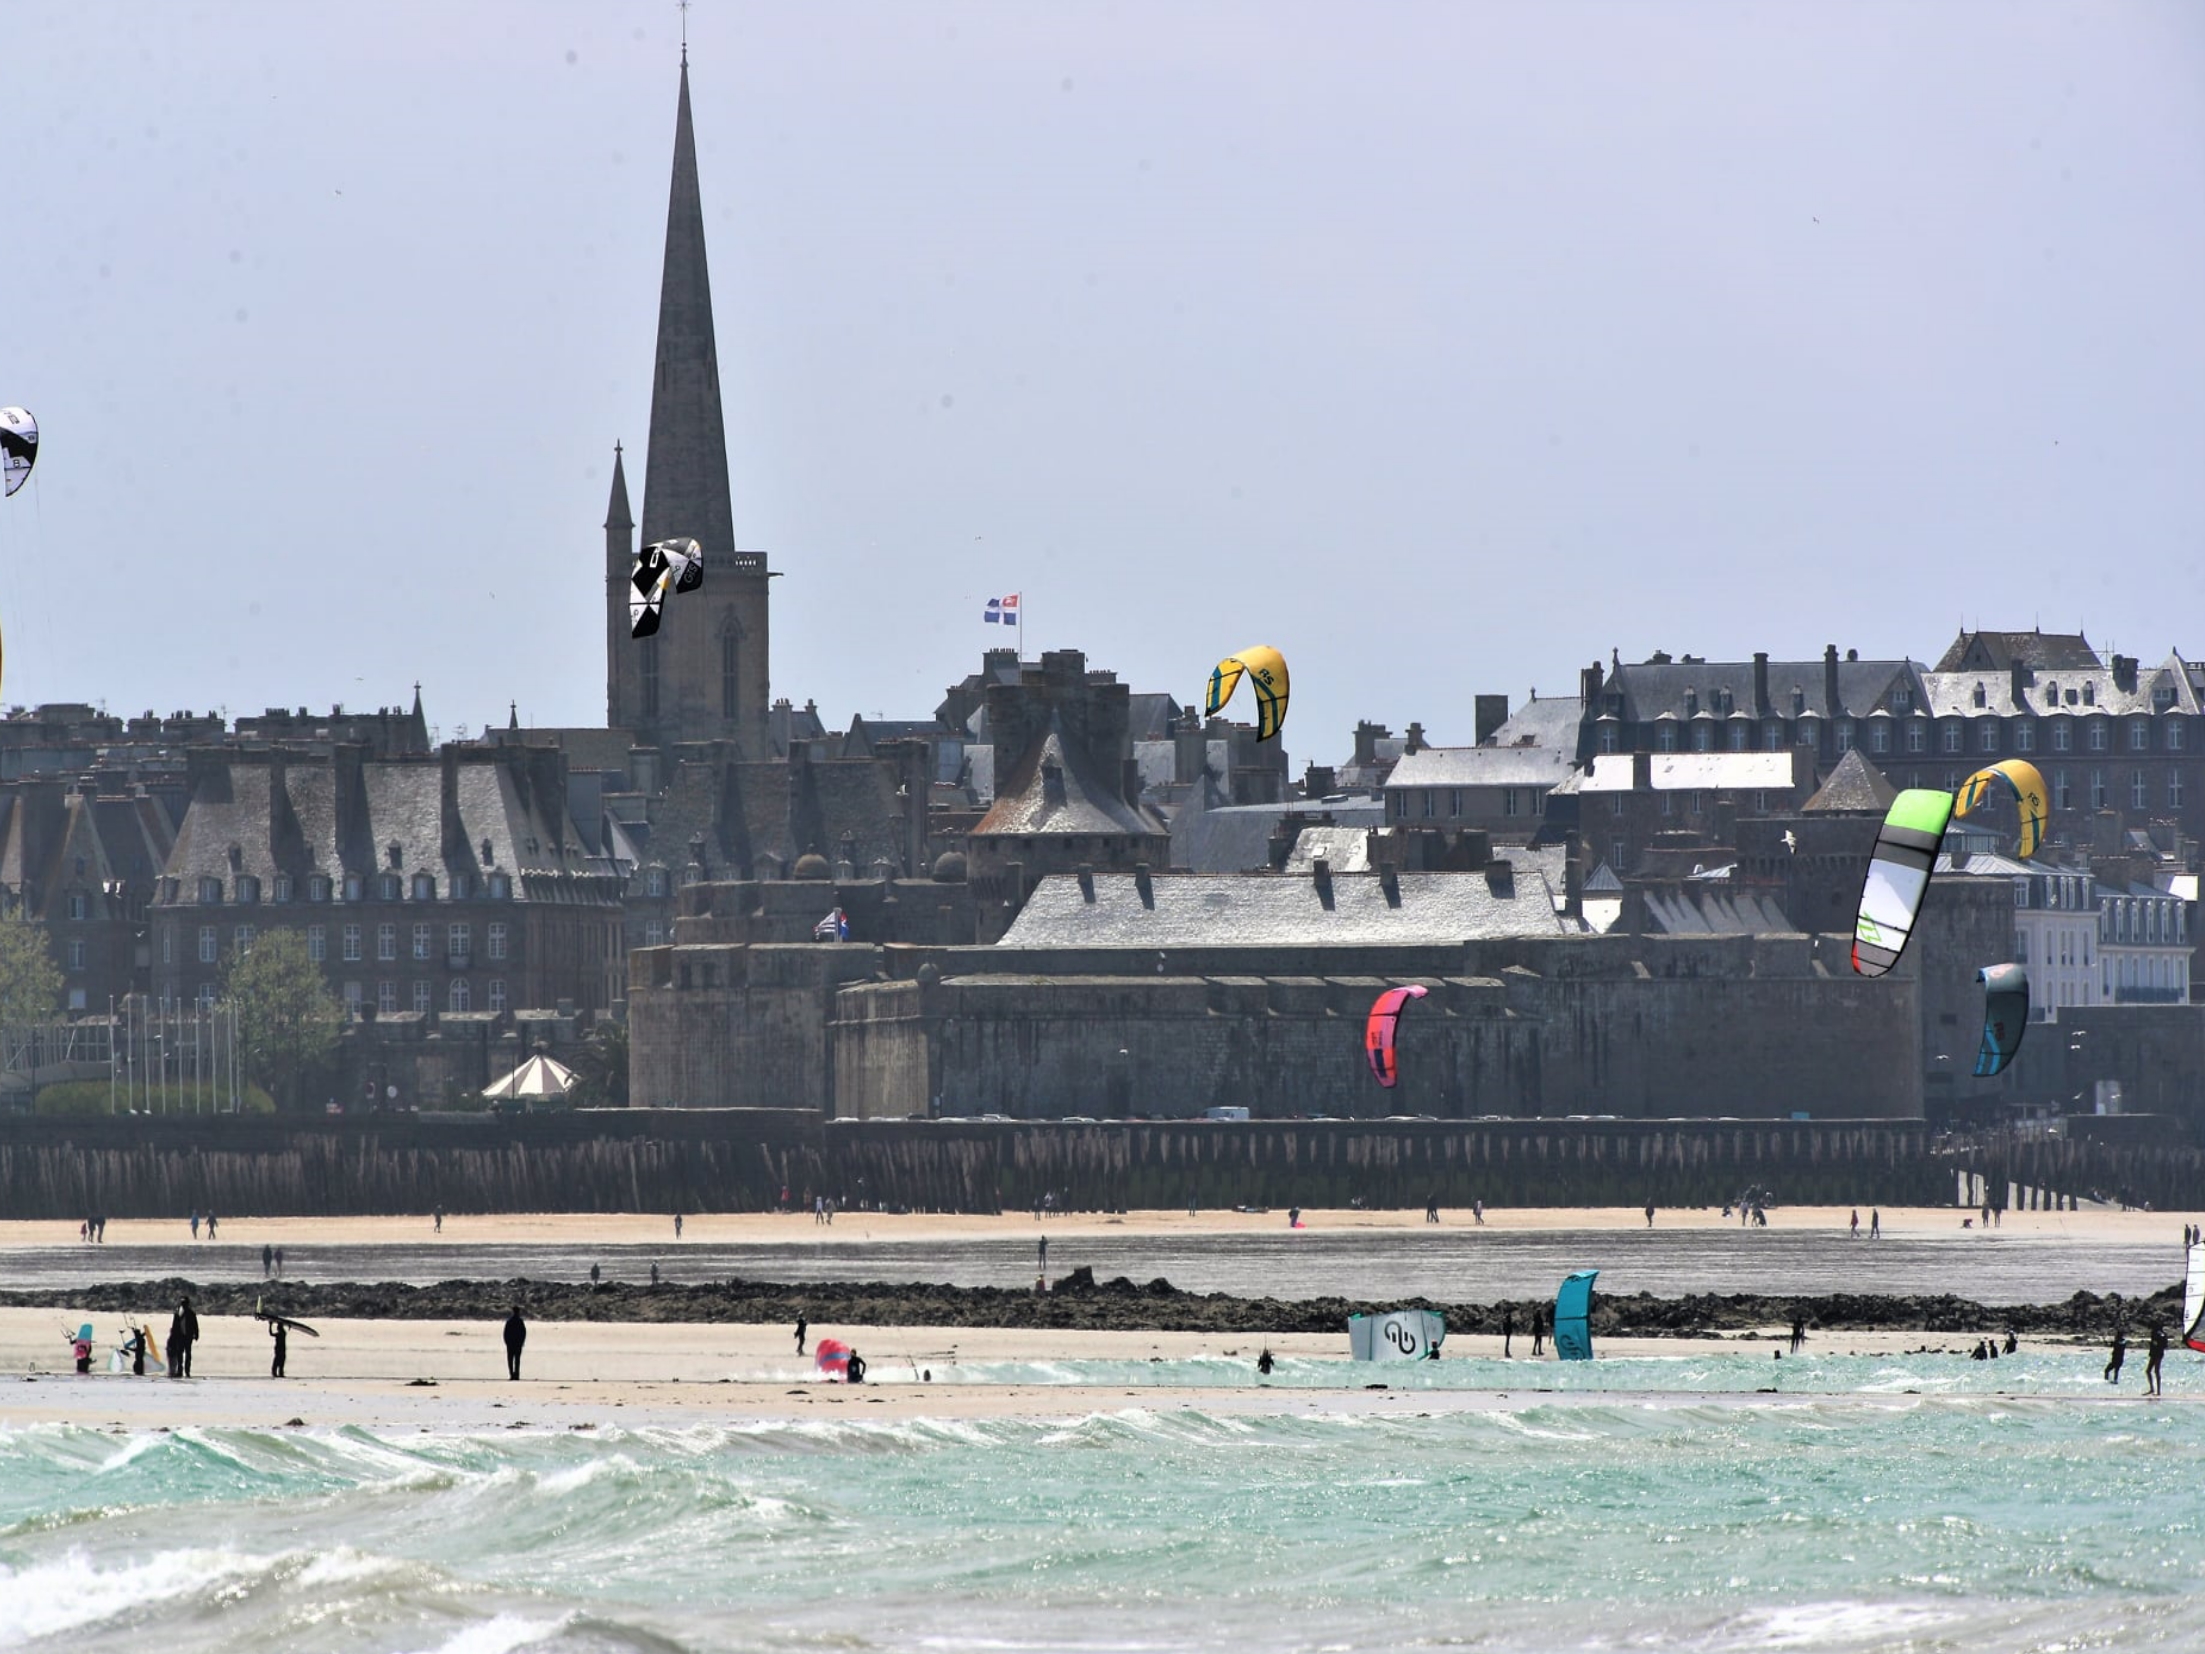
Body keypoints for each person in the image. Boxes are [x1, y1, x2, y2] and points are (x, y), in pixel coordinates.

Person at [169, 1297, 198, 1379]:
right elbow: (174, 1325)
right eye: (182, 1303)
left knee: (188, 1354)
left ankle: (187, 1371)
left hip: (188, 1336)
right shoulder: (178, 1312)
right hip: (180, 1336)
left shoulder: (191, 1313)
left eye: (185, 1303)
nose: (184, 1304)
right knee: (179, 1354)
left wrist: (196, 1334)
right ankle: (180, 1371)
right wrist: (173, 1335)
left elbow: (195, 1324)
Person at [503, 1306, 527, 1380]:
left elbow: (505, 1333)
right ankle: (516, 1375)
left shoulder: (509, 1321)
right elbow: (523, 1332)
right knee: (517, 1360)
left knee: (510, 1360)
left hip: (510, 1343)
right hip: (517, 1343)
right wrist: (522, 1342)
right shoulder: (520, 1321)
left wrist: (507, 1342)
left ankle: (511, 1374)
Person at [2147, 1323, 2168, 1396]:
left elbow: (2158, 1344)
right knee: (2148, 1371)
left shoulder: (2156, 1333)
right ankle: (2153, 1389)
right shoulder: (2163, 1334)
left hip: (2157, 1354)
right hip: (2157, 1353)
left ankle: (2158, 1391)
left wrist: (2155, 1344)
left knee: (2156, 1371)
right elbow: (2165, 1345)